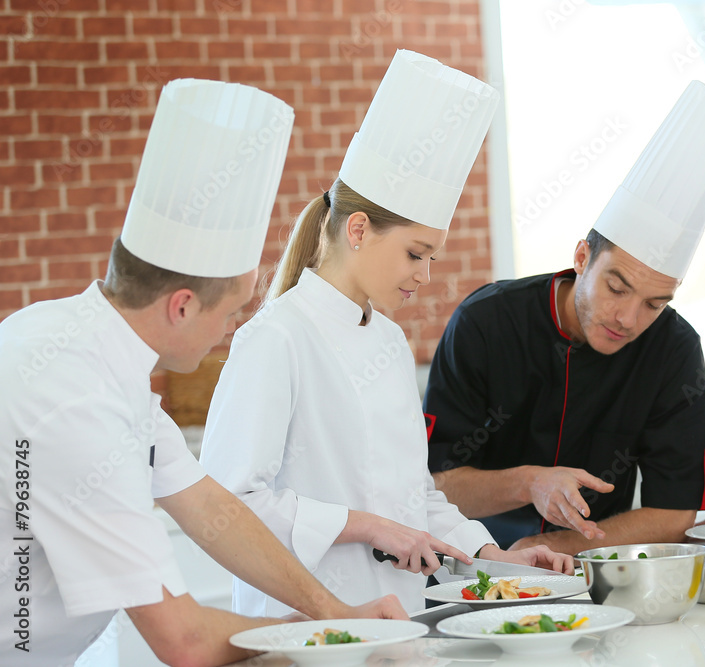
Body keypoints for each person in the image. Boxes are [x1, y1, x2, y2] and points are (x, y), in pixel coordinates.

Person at [0, 79, 405, 667]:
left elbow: (212, 511)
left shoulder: (80, 342)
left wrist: (331, 613)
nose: (230, 331)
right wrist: (319, 637)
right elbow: (184, 642)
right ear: (183, 305)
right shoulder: (78, 403)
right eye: (230, 310)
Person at [199, 50, 573, 616]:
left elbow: (415, 496)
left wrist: (493, 556)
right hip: (302, 631)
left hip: (398, 623)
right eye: (416, 254)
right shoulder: (277, 339)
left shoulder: (389, 344)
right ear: (357, 230)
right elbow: (226, 507)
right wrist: (363, 527)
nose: (425, 276)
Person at [425, 81, 705, 554]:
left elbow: (681, 511)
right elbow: (434, 486)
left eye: (655, 303)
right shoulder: (487, 323)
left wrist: (560, 547)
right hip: (476, 565)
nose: (628, 318)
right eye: (617, 287)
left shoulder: (673, 349)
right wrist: (529, 483)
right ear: (582, 257)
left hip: (599, 565)